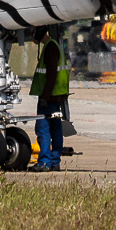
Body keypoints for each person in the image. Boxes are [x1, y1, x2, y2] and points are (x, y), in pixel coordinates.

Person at [30, 25, 70, 172]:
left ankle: (44, 162)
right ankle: (54, 162)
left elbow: (51, 74)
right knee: (56, 130)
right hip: (56, 97)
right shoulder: (54, 45)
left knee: (43, 129)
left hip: (49, 98)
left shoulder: (49, 47)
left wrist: (45, 97)